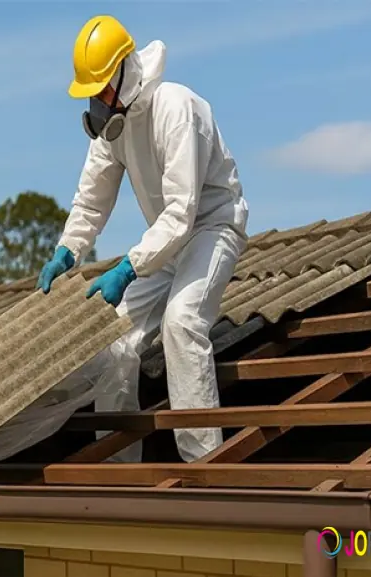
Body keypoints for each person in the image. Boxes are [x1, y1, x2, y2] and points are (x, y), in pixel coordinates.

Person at [37, 16, 249, 464]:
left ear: (125, 72)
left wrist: (127, 268)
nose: (97, 101)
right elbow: (91, 201)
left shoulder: (176, 108)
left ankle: (203, 464)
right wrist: (67, 250)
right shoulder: (112, 127)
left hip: (211, 229)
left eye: (101, 89)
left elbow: (181, 211)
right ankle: (116, 465)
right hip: (163, 245)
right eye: (92, 93)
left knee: (182, 323)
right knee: (114, 341)